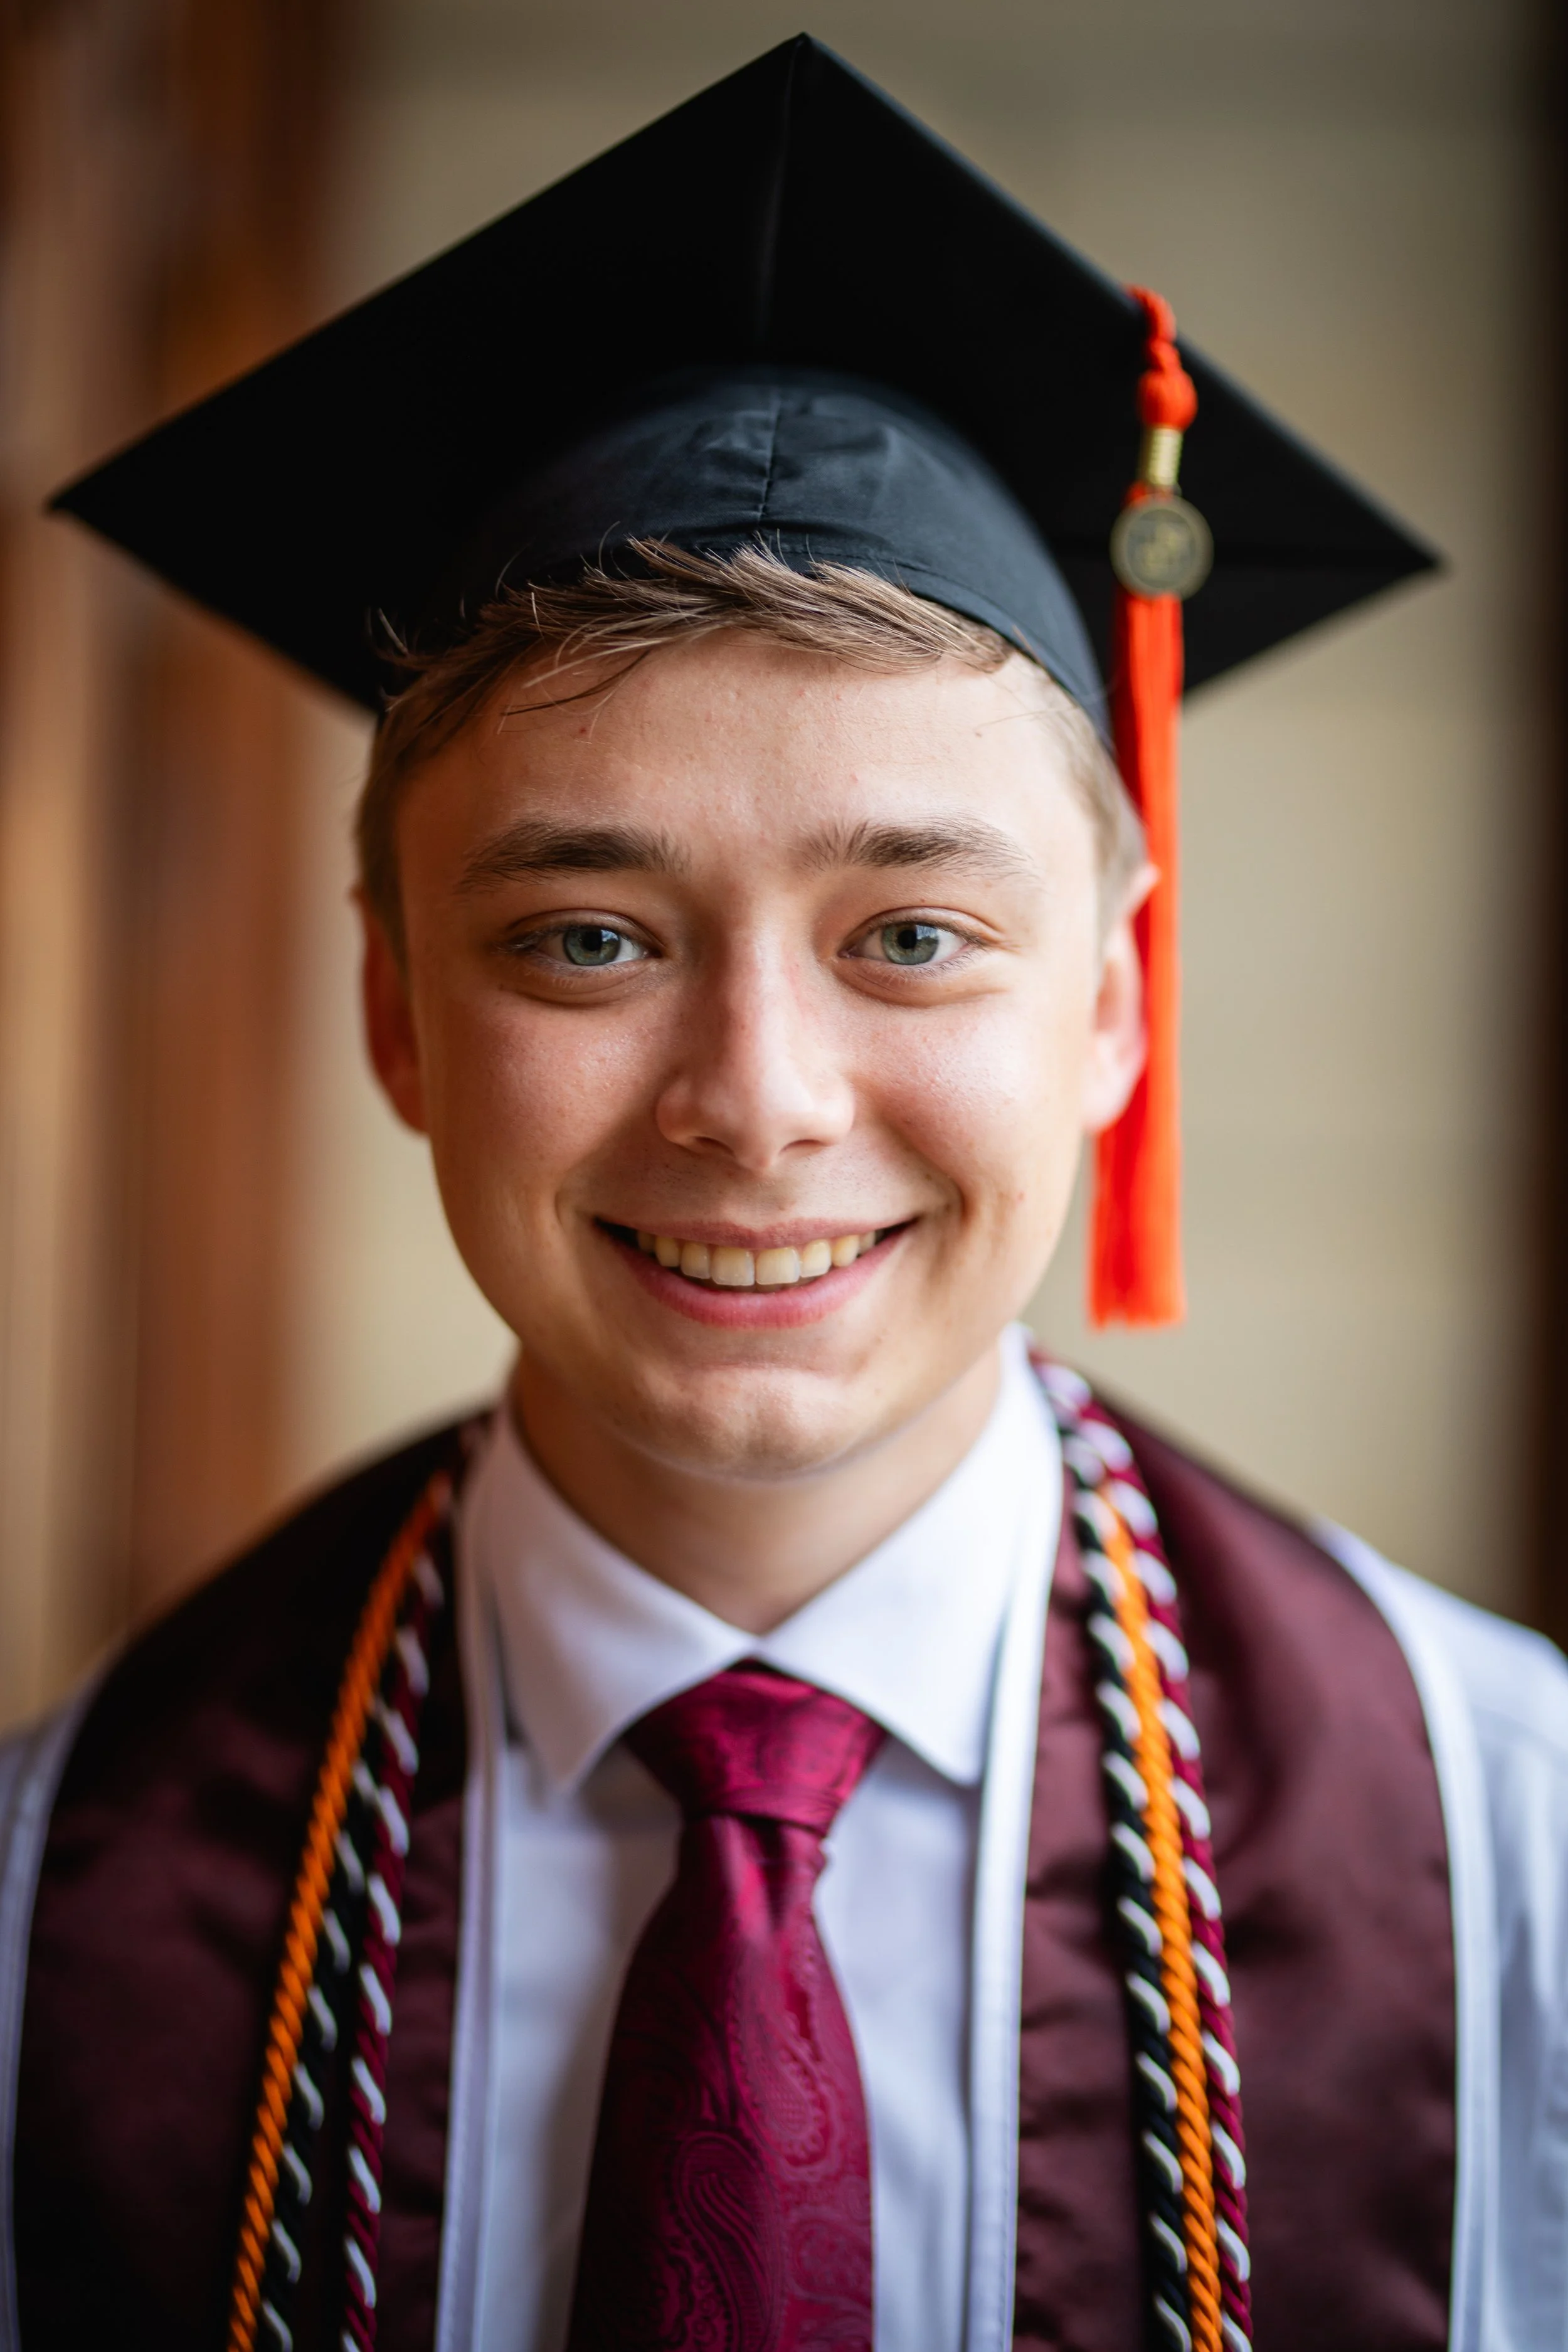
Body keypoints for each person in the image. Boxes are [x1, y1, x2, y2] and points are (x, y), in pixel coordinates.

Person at [2, 35, 1564, 2352]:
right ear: (400, 1016)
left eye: (909, 934)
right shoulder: (59, 1908)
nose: (755, 1098)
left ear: (1115, 1009)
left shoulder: (1518, 1865)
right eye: (585, 937)